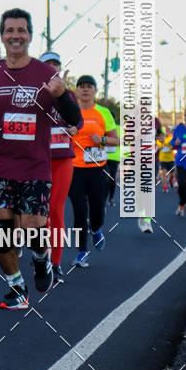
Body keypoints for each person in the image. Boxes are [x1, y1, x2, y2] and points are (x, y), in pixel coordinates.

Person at [0, 9, 81, 309]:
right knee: (2, 237)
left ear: (30, 35)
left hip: (35, 167)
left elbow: (75, 120)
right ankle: (17, 287)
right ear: (2, 35)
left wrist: (62, 95)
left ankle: (42, 259)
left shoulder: (47, 74)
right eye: (9, 30)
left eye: (21, 30)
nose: (15, 35)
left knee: (33, 227)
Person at [39, 51, 82, 284]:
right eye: (47, 65)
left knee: (55, 211)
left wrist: (76, 128)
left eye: (56, 65)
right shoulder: (34, 93)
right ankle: (42, 258)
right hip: (39, 161)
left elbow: (78, 120)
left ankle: (55, 263)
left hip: (63, 160)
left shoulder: (69, 94)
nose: (52, 68)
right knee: (39, 214)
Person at [69, 76, 119, 268]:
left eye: (89, 87)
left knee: (97, 210)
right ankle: (82, 252)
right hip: (74, 169)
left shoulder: (103, 112)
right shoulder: (70, 111)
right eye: (81, 87)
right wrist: (69, 133)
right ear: (77, 90)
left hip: (98, 169)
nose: (85, 90)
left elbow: (116, 140)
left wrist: (102, 140)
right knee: (80, 212)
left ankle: (96, 229)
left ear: (95, 91)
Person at [158, 128, 175, 193]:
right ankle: (165, 187)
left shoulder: (170, 138)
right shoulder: (159, 140)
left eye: (167, 131)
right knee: (164, 173)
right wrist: (161, 145)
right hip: (163, 159)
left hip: (170, 159)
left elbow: (172, 144)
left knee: (172, 175)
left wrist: (171, 148)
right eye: (165, 132)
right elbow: (159, 146)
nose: (166, 133)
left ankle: (171, 180)